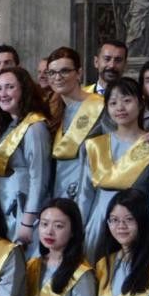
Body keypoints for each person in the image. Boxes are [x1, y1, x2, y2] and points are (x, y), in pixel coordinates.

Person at [76, 77, 149, 263]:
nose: (120, 107)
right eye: (113, 102)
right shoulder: (94, 146)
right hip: (98, 223)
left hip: (135, 225)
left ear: (141, 103)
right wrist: (78, 230)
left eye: (127, 100)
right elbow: (84, 194)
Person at [0, 67, 51, 249]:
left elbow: (39, 179)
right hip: (6, 203)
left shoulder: (34, 126)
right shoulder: (9, 124)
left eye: (10, 87)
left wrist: (28, 221)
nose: (3, 94)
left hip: (25, 208)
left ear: (23, 89)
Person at [45, 47, 106, 201]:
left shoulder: (99, 106)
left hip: (88, 193)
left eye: (64, 71)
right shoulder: (52, 111)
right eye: (52, 72)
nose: (57, 77)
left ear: (79, 73)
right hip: (58, 192)